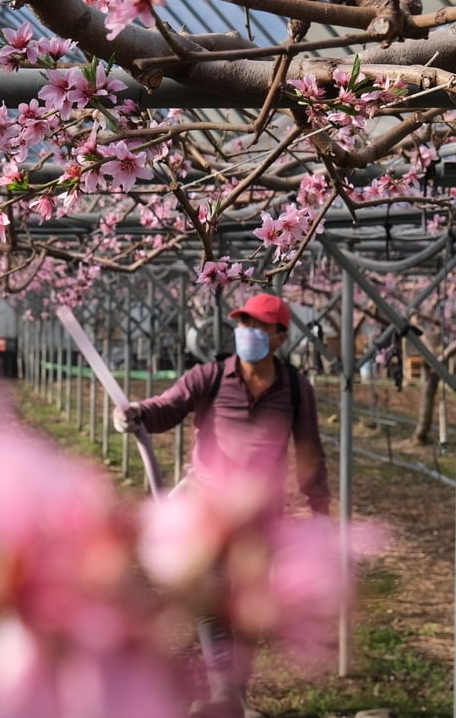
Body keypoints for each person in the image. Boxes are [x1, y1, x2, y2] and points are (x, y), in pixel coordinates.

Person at [115, 292, 330, 718]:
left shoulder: (294, 389)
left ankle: (235, 693)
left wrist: (320, 510)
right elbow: (166, 408)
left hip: (261, 519)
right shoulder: (209, 377)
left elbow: (309, 451)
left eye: (258, 326)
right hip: (208, 514)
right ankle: (223, 694)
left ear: (279, 336)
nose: (247, 332)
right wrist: (134, 414)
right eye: (243, 323)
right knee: (213, 603)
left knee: (248, 608)